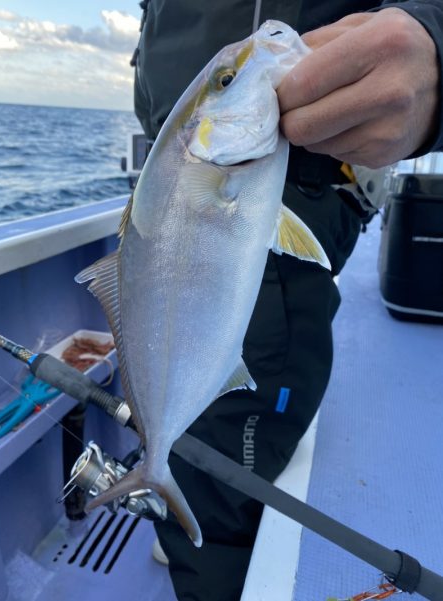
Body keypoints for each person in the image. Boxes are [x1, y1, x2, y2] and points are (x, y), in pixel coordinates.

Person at [130, 2, 442, 599]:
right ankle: (174, 490)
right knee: (195, 450)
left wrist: (439, 50)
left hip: (306, 177)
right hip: (169, 182)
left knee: (227, 478)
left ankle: (203, 528)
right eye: (229, 82)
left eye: (229, 81)